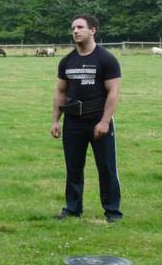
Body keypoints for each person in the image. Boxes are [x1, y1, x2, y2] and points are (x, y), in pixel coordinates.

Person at [51, 14, 123, 223]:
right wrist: (55, 120)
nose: (75, 31)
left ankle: (112, 211)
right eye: (73, 28)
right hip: (72, 121)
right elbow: (60, 92)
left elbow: (113, 92)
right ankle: (73, 209)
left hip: (98, 120)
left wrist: (105, 121)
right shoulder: (67, 61)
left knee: (107, 167)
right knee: (73, 167)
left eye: (80, 27)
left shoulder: (106, 59)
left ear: (93, 30)